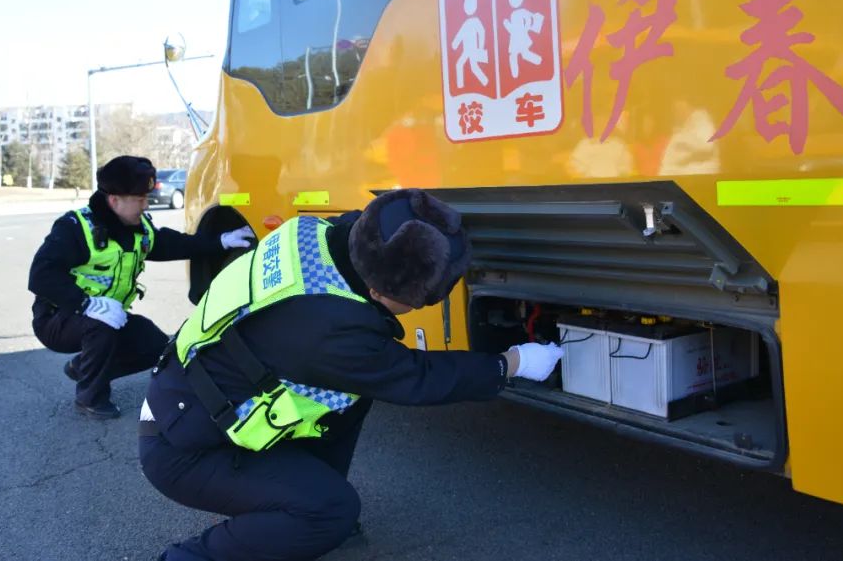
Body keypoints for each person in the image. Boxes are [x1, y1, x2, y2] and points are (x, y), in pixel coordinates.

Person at [138, 188, 563, 560]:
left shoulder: (316, 232)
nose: (418, 308)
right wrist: (513, 362)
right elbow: (417, 377)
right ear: (377, 291)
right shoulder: (330, 331)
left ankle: (305, 506)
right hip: (183, 447)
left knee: (349, 400)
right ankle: (197, 554)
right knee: (333, 510)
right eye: (417, 302)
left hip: (193, 392)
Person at [28, 155, 254, 420]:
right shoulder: (76, 228)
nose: (146, 205)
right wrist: (86, 304)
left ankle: (83, 368)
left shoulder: (137, 228)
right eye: (139, 199)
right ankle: (90, 397)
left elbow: (171, 244)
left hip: (108, 315)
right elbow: (41, 275)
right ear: (115, 201)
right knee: (100, 327)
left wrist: (221, 241)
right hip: (58, 319)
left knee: (156, 345)